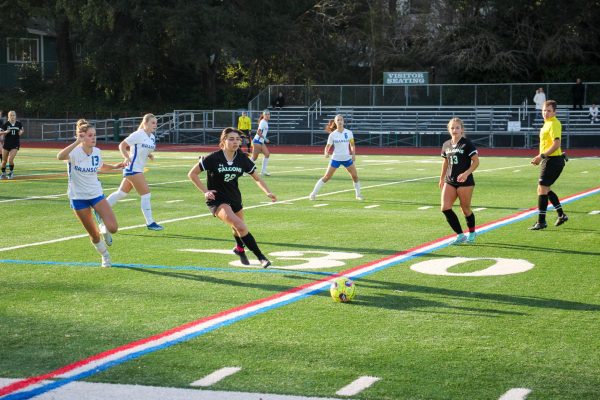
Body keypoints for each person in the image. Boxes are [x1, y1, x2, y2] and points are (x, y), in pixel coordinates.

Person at [187, 127, 276, 268]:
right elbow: (192, 174)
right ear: (223, 141)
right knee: (240, 225)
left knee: (237, 228)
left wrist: (267, 192)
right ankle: (261, 257)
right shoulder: (213, 157)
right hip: (217, 199)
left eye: (238, 139)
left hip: (235, 197)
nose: (236, 142)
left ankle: (239, 248)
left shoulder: (242, 159)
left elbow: (257, 178)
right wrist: (205, 191)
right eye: (231, 139)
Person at [57, 119, 124, 267]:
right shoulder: (74, 153)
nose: (93, 138)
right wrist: (76, 142)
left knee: (113, 228)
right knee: (94, 235)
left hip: (96, 194)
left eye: (94, 135)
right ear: (82, 137)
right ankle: (105, 256)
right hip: (78, 198)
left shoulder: (97, 152)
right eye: (90, 135)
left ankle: (104, 227)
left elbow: (100, 166)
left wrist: (114, 166)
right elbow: (59, 157)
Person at [104, 113, 163, 230]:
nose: (155, 125)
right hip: (132, 168)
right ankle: (150, 222)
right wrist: (126, 157)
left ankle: (100, 209)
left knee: (121, 193)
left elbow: (142, 148)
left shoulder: (151, 136)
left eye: (156, 123)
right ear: (145, 123)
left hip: (137, 168)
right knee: (146, 194)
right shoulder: (138, 134)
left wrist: (149, 154)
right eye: (152, 123)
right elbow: (122, 145)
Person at [439, 117, 480, 244]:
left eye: (457, 127)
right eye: (452, 128)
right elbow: (445, 162)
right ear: (449, 129)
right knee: (445, 207)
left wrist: (466, 173)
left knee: (465, 209)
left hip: (465, 182)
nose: (454, 130)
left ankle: (472, 232)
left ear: (462, 129)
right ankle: (460, 235)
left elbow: (476, 161)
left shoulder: (467, 143)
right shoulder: (446, 144)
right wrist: (441, 178)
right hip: (450, 180)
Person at [529, 100, 568, 230]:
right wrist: (541, 157)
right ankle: (561, 215)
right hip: (549, 160)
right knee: (544, 189)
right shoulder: (546, 124)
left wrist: (541, 156)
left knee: (542, 188)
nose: (545, 113)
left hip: (553, 160)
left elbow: (556, 144)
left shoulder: (554, 123)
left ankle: (541, 221)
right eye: (544, 110)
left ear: (554, 112)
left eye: (549, 110)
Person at [309, 114, 363, 201]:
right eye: (338, 120)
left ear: (343, 121)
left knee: (355, 176)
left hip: (347, 159)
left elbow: (352, 145)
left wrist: (353, 154)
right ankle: (313, 194)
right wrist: (326, 152)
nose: (340, 121)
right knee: (326, 177)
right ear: (335, 122)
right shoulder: (332, 135)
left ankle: (358, 195)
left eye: (341, 120)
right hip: (335, 159)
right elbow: (327, 147)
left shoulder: (349, 133)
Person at [1, 110, 24, 179]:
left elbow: (22, 130)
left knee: (10, 160)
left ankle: (11, 172)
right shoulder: (5, 124)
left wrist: (21, 132)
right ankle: (3, 173)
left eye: (13, 115)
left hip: (15, 144)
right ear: (8, 116)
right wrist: (5, 132)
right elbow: (0, 132)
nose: (12, 116)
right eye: (11, 115)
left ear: (15, 116)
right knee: (4, 161)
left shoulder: (19, 124)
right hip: (6, 144)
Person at [251, 110, 271, 176]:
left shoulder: (265, 122)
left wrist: (264, 139)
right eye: (266, 114)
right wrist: (265, 139)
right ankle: (245, 170)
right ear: (264, 115)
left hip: (261, 142)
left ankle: (263, 171)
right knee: (254, 158)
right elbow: (258, 132)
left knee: (267, 154)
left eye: (269, 114)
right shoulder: (263, 122)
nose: (268, 115)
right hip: (257, 141)